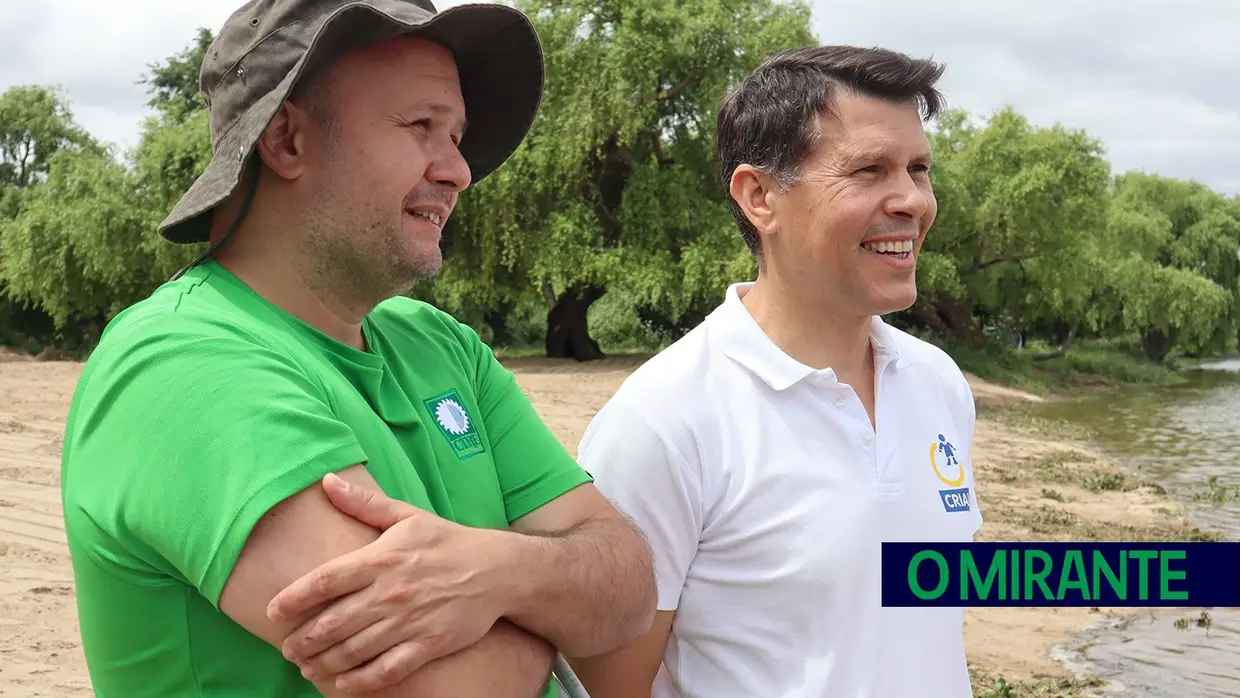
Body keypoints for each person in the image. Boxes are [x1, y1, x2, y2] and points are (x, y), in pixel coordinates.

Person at [59, 1, 656, 697]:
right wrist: (551, 619)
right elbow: (465, 687)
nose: (459, 171)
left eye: (456, 135)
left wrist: (494, 574)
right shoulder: (180, 365)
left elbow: (629, 590)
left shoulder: (441, 345)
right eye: (422, 127)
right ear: (286, 141)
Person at [566, 45, 985, 697]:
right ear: (760, 196)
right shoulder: (664, 420)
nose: (911, 200)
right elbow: (608, 686)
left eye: (919, 169)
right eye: (870, 170)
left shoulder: (939, 384)